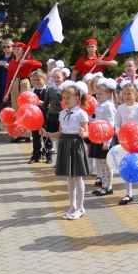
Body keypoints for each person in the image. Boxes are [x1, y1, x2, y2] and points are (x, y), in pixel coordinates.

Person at [47, 81, 91, 219]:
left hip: (76, 144)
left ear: (77, 98)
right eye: (63, 98)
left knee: (77, 177)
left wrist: (83, 133)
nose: (65, 100)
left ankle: (80, 207)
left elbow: (86, 133)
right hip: (65, 144)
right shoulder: (62, 113)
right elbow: (60, 133)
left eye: (68, 98)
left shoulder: (81, 114)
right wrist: (47, 134)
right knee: (69, 178)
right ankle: (72, 207)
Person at [115, 76, 138, 206]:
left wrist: (137, 132)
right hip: (125, 142)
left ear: (136, 94)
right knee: (126, 165)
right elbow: (117, 123)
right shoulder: (120, 108)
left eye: (129, 93)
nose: (126, 96)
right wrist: (118, 131)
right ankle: (128, 194)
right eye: (124, 94)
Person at [88, 78, 117, 196]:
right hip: (98, 137)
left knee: (107, 164)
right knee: (100, 163)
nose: (98, 96)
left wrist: (107, 142)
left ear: (108, 94)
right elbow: (97, 119)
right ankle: (104, 185)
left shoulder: (108, 106)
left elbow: (110, 124)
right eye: (97, 93)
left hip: (105, 138)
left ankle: (108, 187)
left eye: (101, 94)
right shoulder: (99, 105)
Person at [29, 70, 53, 164]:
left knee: (46, 136)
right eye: (34, 80)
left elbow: (51, 105)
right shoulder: (32, 91)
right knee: (35, 137)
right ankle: (36, 155)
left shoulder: (49, 91)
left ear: (45, 79)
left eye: (38, 80)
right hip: (35, 117)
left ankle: (48, 155)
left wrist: (43, 103)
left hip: (45, 116)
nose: (36, 82)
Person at [0, 39, 14, 133]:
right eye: (4, 47)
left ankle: (14, 126)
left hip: (12, 82)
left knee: (13, 104)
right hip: (2, 83)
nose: (6, 48)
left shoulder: (14, 57)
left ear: (12, 47)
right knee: (1, 104)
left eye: (8, 46)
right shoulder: (0, 57)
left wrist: (9, 67)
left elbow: (17, 70)